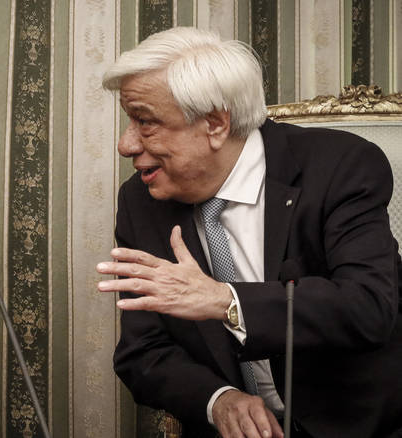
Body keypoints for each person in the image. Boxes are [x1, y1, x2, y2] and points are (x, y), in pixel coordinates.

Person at [96, 27, 402, 438]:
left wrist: (226, 301)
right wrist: (218, 399)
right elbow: (142, 352)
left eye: (145, 122)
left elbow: (368, 307)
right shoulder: (141, 200)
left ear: (215, 123)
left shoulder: (339, 166)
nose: (125, 145)